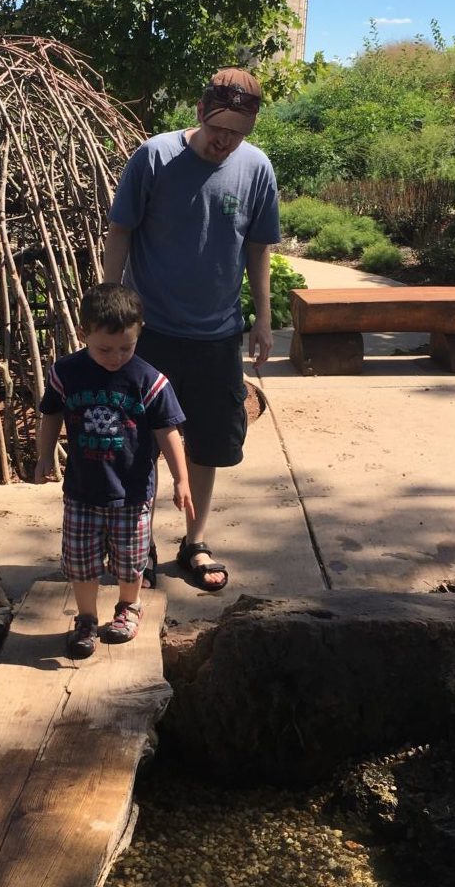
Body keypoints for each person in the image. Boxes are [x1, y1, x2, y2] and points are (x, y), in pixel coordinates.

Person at [102, 66, 279, 592]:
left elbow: (258, 248)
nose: (226, 142)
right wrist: (108, 306)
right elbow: (121, 230)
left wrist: (263, 317)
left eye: (238, 134)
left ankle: (194, 542)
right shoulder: (154, 156)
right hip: (149, 332)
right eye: (219, 129)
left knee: (209, 443)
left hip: (217, 334)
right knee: (138, 443)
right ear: (200, 112)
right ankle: (138, 544)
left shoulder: (256, 169)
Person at [34, 282, 193, 659]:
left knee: (130, 558)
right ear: (82, 333)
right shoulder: (66, 372)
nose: (115, 357)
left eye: (127, 347)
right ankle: (86, 618)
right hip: (81, 490)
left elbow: (168, 430)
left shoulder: (148, 380)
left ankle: (128, 607)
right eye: (104, 348)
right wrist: (44, 456)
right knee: (81, 559)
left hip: (133, 491)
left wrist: (182, 478)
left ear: (140, 333)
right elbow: (51, 414)